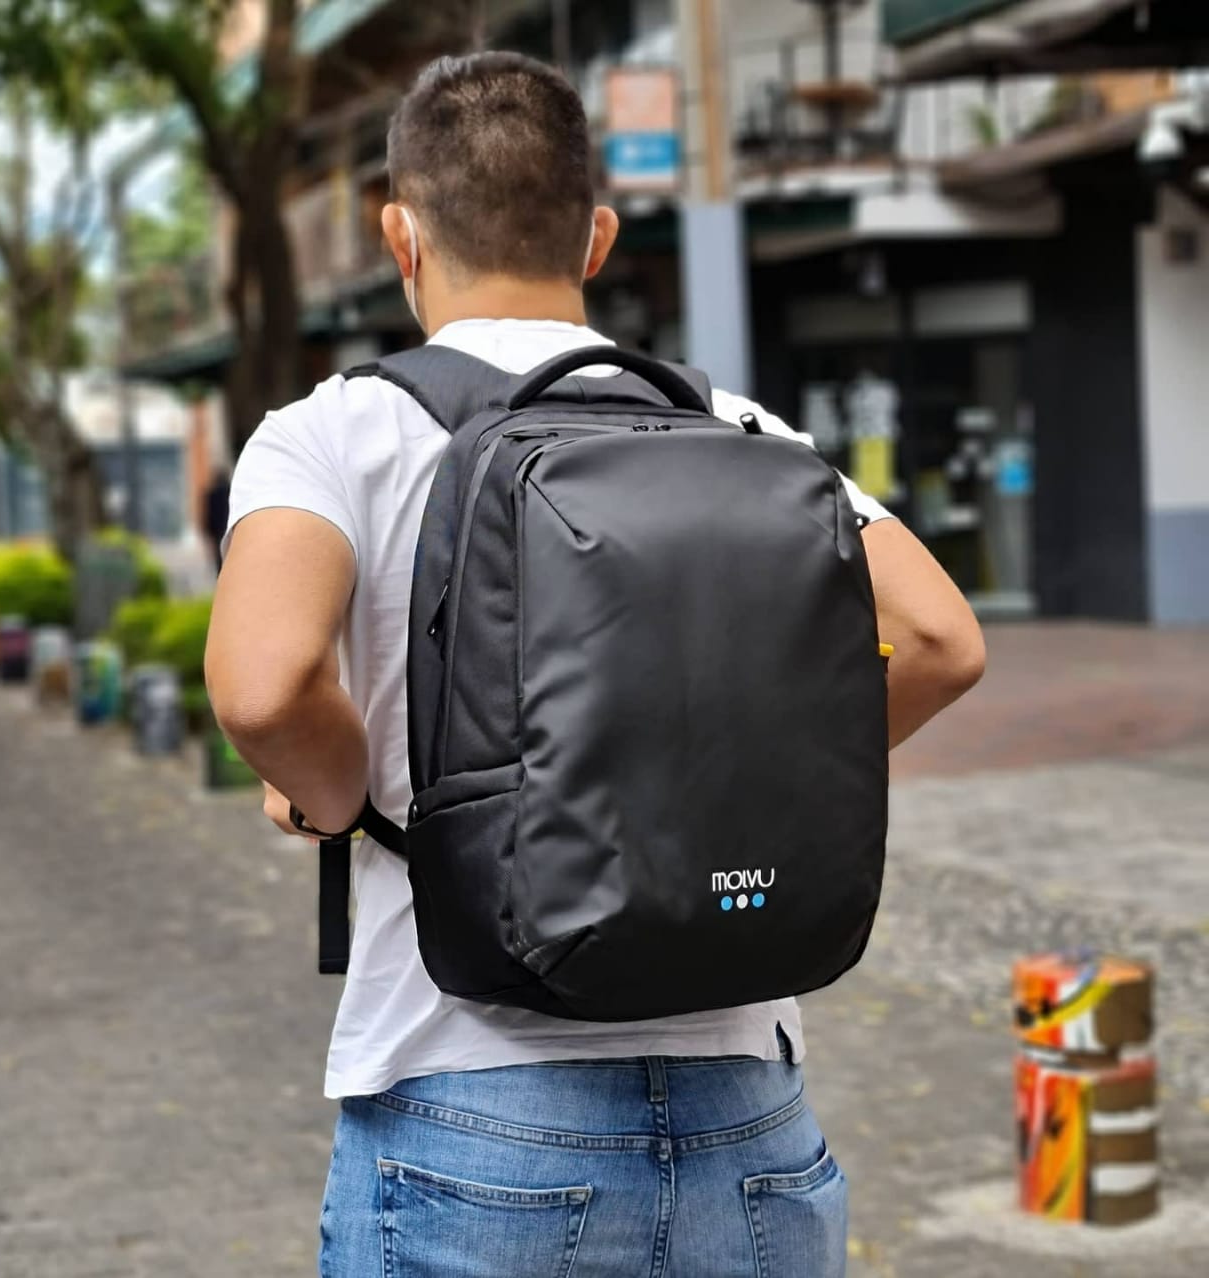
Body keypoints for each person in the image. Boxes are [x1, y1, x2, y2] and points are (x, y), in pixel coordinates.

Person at [205, 52, 985, 1278]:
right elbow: (941, 640)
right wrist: (734, 775)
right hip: (751, 1126)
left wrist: (335, 794)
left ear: (399, 235)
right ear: (598, 235)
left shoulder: (333, 434)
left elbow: (263, 688)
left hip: (471, 1110)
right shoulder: (739, 429)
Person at [202, 468, 231, 574]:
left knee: (219, 560)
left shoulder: (211, 494)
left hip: (217, 532)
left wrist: (209, 532)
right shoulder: (230, 491)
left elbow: (208, 515)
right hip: (229, 528)